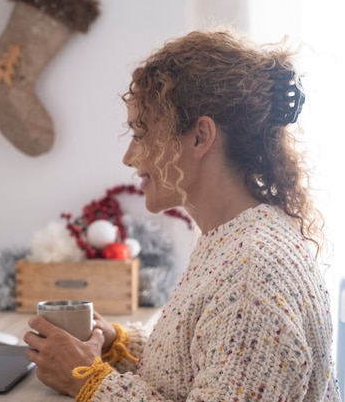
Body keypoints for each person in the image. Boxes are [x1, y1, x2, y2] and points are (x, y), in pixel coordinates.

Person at [23, 28, 342, 402]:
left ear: (200, 137)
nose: (129, 156)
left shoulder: (253, 273)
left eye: (141, 133)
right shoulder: (234, 237)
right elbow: (207, 361)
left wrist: (88, 381)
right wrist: (118, 345)